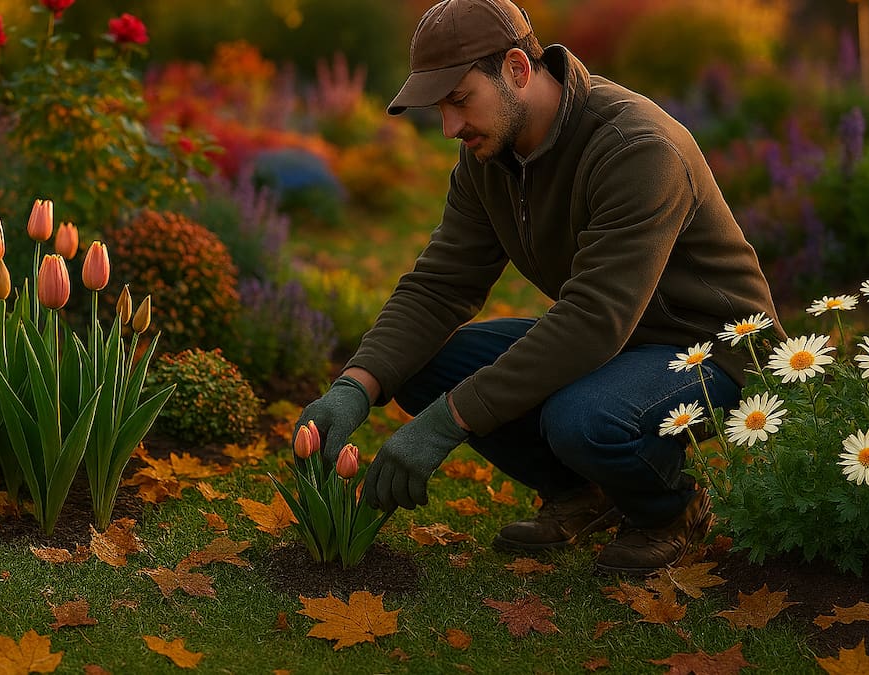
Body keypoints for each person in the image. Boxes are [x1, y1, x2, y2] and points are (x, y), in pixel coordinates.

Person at [294, 0, 784, 574]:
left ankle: (669, 512)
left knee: (583, 420)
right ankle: (584, 493)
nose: (451, 127)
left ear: (517, 71)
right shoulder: (490, 154)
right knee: (424, 364)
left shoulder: (636, 148)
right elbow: (440, 283)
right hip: (616, 345)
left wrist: (446, 422)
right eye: (440, 108)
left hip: (709, 349)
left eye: (459, 100)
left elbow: (592, 320)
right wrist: (356, 385)